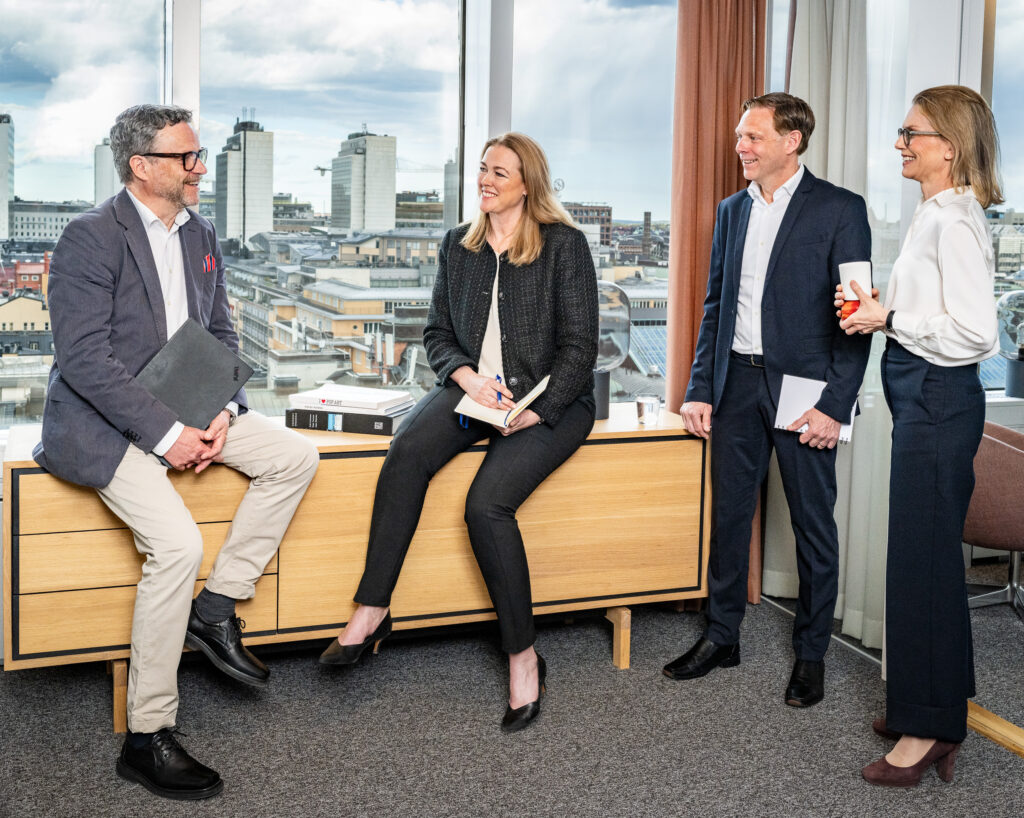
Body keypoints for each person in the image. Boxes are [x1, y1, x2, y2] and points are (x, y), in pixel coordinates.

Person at [35, 104, 320, 800]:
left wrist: (222, 409)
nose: (199, 168)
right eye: (186, 157)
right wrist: (169, 434)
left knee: (295, 458)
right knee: (178, 547)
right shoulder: (89, 237)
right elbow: (84, 361)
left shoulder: (201, 232)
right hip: (105, 422)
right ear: (141, 166)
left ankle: (215, 610)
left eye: (198, 155)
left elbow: (220, 332)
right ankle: (147, 735)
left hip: (190, 404)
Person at [319, 132, 598, 733]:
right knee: (405, 453)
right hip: (478, 391)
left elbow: (580, 349)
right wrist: (468, 379)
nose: (485, 180)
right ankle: (373, 608)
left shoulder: (563, 245)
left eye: (500, 172)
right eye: (483, 169)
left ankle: (523, 658)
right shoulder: (459, 245)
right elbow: (437, 334)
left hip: (551, 402)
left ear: (528, 184)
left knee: (485, 505)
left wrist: (537, 411)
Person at [663, 93, 871, 707]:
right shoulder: (733, 210)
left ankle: (811, 654)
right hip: (736, 385)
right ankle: (721, 636)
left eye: (753, 136)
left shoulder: (840, 209)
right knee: (729, 519)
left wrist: (836, 405)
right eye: (740, 136)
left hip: (807, 393)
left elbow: (856, 316)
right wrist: (700, 388)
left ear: (791, 141)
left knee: (813, 525)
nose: (741, 147)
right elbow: (715, 305)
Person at [837, 85, 1001, 787]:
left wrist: (889, 321)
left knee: (925, 567)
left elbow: (978, 334)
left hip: (938, 401)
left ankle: (930, 730)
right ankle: (923, 705)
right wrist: (881, 308)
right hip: (924, 398)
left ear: (950, 147)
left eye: (912, 133)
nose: (900, 144)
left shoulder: (955, 222)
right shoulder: (934, 214)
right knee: (918, 561)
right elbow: (935, 312)